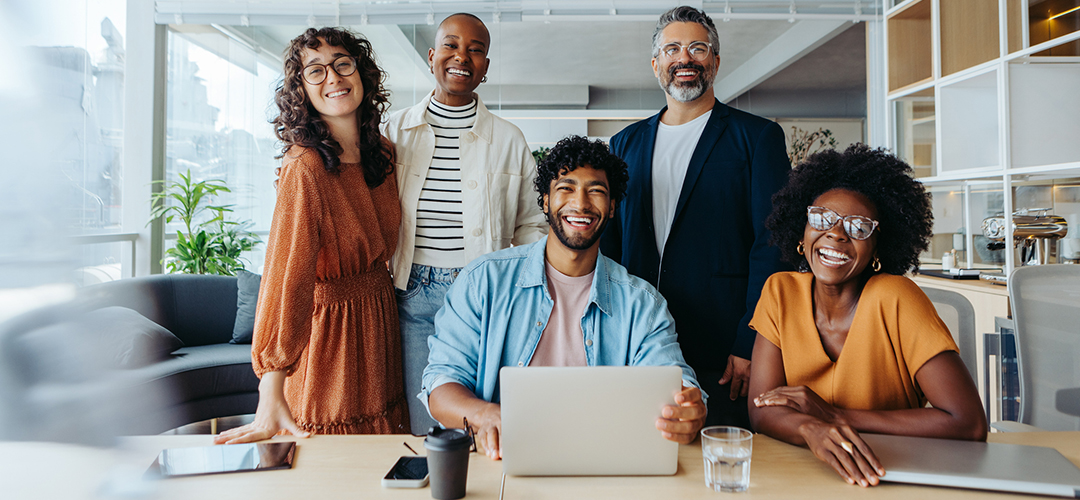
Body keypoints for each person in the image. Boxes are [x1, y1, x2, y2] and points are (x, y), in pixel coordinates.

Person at [422, 135, 706, 460]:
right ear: (545, 201)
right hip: (501, 460)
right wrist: (487, 416)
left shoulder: (643, 304)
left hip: (606, 463)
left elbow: (673, 376)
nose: (581, 204)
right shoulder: (482, 282)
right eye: (566, 188)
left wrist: (689, 405)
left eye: (596, 191)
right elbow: (441, 383)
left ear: (612, 207)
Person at [747, 144, 988, 487]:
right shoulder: (780, 292)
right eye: (821, 218)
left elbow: (968, 423)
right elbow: (761, 408)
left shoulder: (897, 298)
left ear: (877, 247)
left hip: (893, 474)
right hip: (804, 473)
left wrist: (834, 416)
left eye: (859, 227)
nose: (837, 233)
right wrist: (811, 428)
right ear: (802, 232)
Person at [216, 27, 409, 444]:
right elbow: (288, 276)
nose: (333, 79)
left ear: (362, 74)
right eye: (315, 71)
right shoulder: (305, 168)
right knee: (333, 457)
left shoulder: (384, 153)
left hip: (379, 320)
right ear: (301, 90)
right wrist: (272, 384)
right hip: (332, 336)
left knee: (383, 455)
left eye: (342, 64)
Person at [600, 5, 790, 428]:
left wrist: (750, 341)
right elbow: (609, 248)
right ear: (656, 65)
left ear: (715, 62)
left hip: (723, 346)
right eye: (672, 49)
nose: (684, 58)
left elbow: (772, 246)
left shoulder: (757, 138)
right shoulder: (623, 144)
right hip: (638, 341)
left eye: (697, 48)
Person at [382, 13, 546, 434]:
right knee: (430, 422)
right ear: (433, 55)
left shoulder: (509, 139)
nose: (462, 56)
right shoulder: (394, 130)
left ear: (486, 66)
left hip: (486, 293)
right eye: (452, 46)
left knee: (488, 415)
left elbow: (531, 224)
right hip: (412, 294)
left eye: (476, 49)